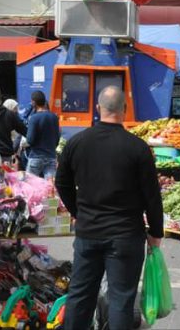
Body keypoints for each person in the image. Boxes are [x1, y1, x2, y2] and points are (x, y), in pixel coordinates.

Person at [56, 86, 163, 330]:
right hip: (126, 235)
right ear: (124, 109)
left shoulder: (77, 143)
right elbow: (152, 196)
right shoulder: (138, 148)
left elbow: (61, 182)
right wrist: (156, 232)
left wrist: (78, 212)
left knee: (80, 296)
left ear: (98, 109)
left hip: (88, 232)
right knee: (121, 300)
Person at [25, 91, 60, 179]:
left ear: (33, 103)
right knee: (49, 188)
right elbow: (57, 138)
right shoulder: (54, 117)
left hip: (36, 157)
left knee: (30, 186)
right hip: (51, 157)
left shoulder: (34, 118)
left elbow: (30, 140)